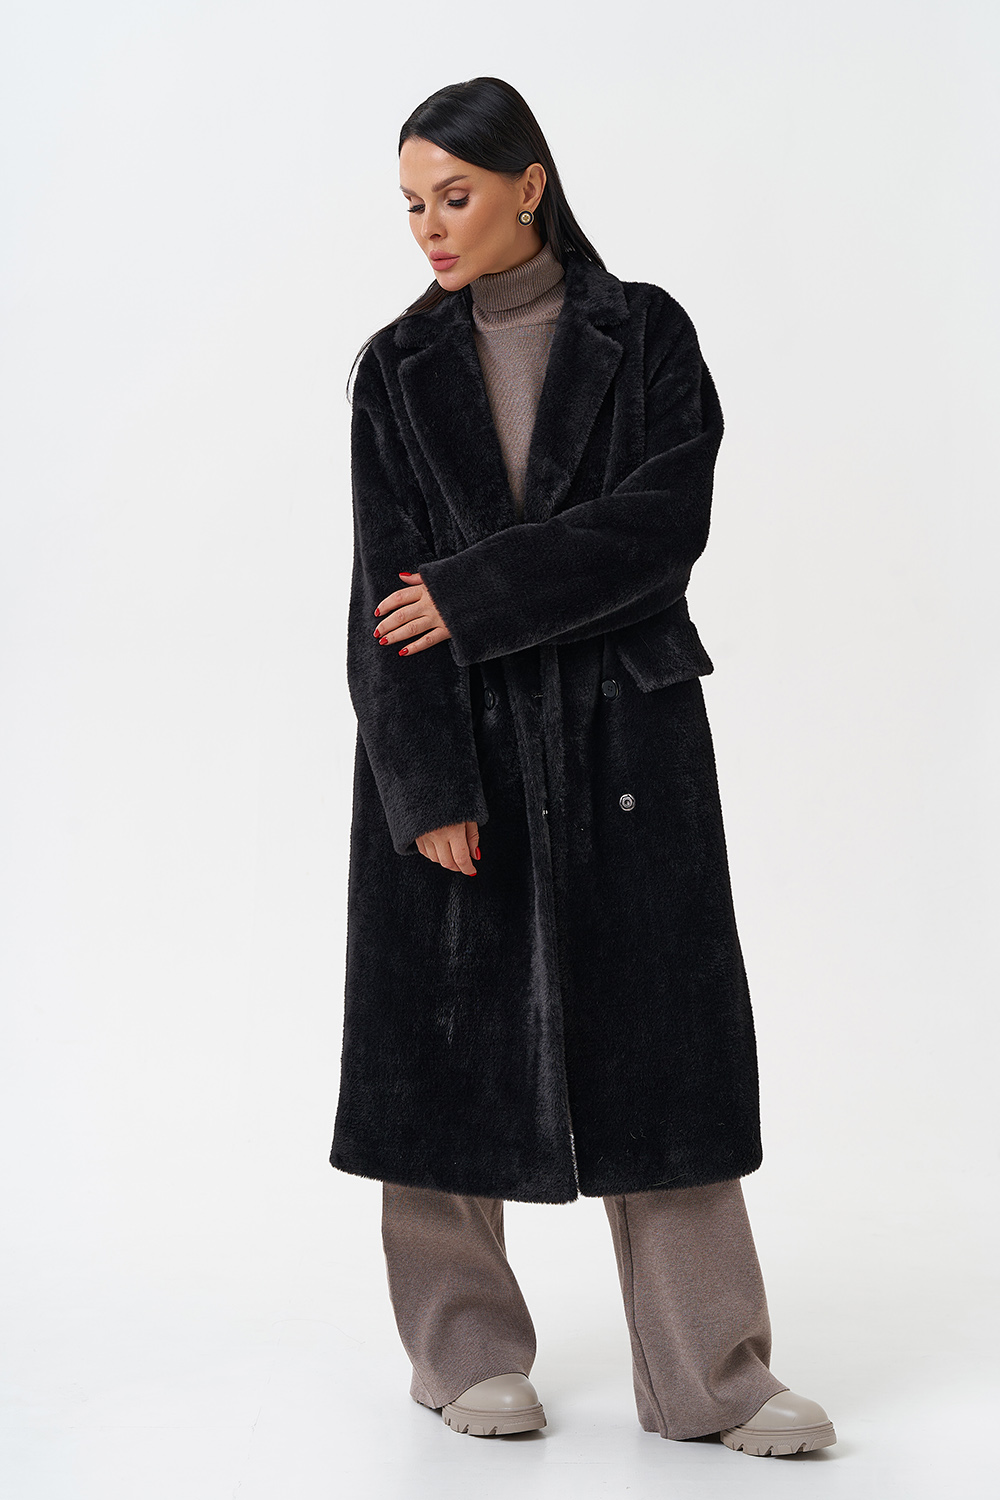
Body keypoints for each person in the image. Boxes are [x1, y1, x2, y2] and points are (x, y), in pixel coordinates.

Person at [330, 76, 836, 1457]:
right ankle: (463, 1356)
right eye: (412, 205)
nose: (431, 228)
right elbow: (382, 601)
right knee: (440, 1066)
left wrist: (476, 593)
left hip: (628, 739)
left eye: (456, 196)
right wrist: (427, 789)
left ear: (531, 183)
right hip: (462, 744)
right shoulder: (395, 367)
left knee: (665, 1062)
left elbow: (662, 528)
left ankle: (714, 1378)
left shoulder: (645, 332)